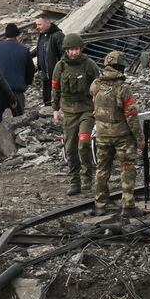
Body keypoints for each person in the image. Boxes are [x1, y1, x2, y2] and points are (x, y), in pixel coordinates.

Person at [90, 51, 143, 216]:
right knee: (127, 168)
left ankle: (100, 205)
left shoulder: (96, 85)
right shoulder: (123, 88)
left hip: (102, 135)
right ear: (121, 68)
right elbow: (131, 116)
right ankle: (127, 205)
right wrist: (139, 138)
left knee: (102, 169)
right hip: (122, 136)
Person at [51, 32, 98, 195]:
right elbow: (55, 88)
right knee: (70, 148)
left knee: (84, 142)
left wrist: (98, 106)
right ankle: (74, 181)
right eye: (71, 49)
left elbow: (99, 84)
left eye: (77, 49)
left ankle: (87, 176)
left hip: (86, 110)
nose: (74, 52)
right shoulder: (60, 66)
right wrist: (55, 109)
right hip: (69, 112)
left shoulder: (88, 64)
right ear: (66, 50)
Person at [0, 23, 35, 115]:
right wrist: (27, 83)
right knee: (19, 120)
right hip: (17, 91)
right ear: (18, 36)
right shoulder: (24, 49)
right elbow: (30, 70)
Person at [33, 11, 65, 108]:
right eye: (36, 24)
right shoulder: (42, 35)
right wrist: (26, 54)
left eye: (39, 24)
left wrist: (60, 70)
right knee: (47, 99)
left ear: (48, 23)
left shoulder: (58, 35)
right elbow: (39, 49)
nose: (37, 27)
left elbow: (64, 54)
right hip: (45, 75)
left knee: (55, 98)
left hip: (55, 74)